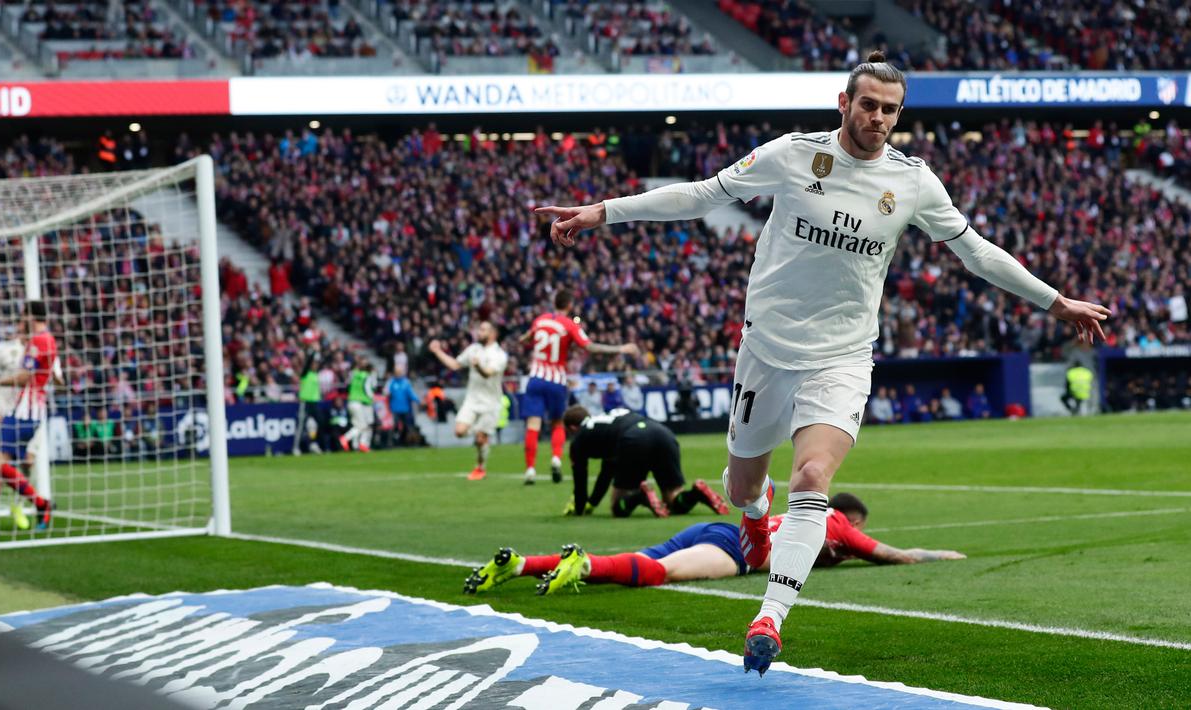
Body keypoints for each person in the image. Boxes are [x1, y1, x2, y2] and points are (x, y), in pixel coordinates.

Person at [535, 51, 1110, 675]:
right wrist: (604, 211)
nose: (879, 118)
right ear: (845, 103)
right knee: (742, 487)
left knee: (811, 478)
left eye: (891, 110)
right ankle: (756, 515)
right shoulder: (793, 154)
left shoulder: (913, 182)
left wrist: (1054, 302)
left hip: (843, 355)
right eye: (869, 105)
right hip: (766, 349)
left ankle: (770, 616)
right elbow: (703, 196)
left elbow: (976, 252)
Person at [463, 492, 964, 596]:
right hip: (739, 550)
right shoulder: (837, 525)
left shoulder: (809, 516)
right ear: (851, 518)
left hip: (717, 530)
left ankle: (521, 564)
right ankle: (586, 565)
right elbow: (892, 556)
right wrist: (940, 556)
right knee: (660, 574)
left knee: (642, 559)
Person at [518, 289, 638, 485]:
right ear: (569, 305)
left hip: (535, 378)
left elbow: (526, 337)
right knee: (557, 423)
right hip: (556, 380)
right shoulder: (569, 324)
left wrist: (523, 339)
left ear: (554, 303)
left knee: (533, 425)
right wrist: (620, 348)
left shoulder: (540, 320)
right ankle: (556, 458)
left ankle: (530, 469)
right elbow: (590, 347)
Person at [0, 301, 56, 535]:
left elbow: (26, 377)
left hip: (25, 412)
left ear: (30, 317)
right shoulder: (45, 340)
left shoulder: (39, 341)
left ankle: (41, 503)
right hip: (23, 411)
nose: (21, 321)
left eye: (24, 316)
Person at [563, 405, 729, 518]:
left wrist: (579, 508)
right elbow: (606, 472)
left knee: (617, 507)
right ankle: (695, 494)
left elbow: (580, 478)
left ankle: (640, 496)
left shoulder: (580, 438)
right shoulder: (607, 421)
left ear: (572, 428)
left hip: (634, 439)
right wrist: (592, 502)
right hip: (662, 433)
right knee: (672, 501)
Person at [429, 321, 509, 480]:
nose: (479, 332)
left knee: (480, 439)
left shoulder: (499, 355)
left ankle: (480, 467)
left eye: (483, 330)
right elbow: (455, 365)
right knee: (459, 431)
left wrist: (478, 366)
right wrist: (438, 351)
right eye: (479, 329)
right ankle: (481, 434)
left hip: (490, 402)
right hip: (472, 400)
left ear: (493, 334)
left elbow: (488, 373)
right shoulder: (473, 349)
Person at [340, 356, 377, 452]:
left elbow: (347, 381)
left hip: (351, 401)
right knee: (363, 426)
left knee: (357, 425)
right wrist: (372, 397)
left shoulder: (354, 374)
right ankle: (346, 438)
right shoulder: (366, 376)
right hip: (359, 402)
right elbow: (369, 388)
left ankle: (357, 445)